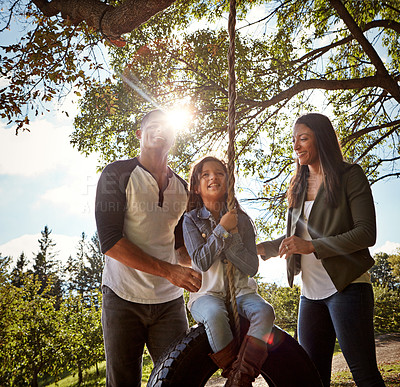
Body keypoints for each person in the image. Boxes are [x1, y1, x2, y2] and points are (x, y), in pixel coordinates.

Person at [257, 113, 385, 387]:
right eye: (294, 140)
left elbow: (366, 233)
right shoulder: (298, 185)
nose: (296, 146)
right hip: (310, 295)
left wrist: (312, 246)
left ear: (322, 139)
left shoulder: (350, 176)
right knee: (312, 378)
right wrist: (263, 248)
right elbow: (296, 236)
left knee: (363, 373)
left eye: (303, 139)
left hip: (348, 287)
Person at [95, 109, 202, 386]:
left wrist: (210, 264)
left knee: (180, 378)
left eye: (166, 127)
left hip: (169, 304)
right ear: (139, 134)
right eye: (152, 126)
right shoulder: (116, 174)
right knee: (123, 382)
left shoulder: (181, 189)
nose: (159, 130)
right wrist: (170, 271)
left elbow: (181, 250)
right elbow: (109, 242)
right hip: (122, 297)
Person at [183, 156, 275, 387]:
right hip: (207, 295)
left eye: (219, 173)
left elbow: (251, 267)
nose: (213, 177)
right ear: (196, 187)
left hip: (243, 292)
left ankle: (240, 379)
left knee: (265, 312)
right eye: (206, 174)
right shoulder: (190, 220)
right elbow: (202, 261)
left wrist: (233, 233)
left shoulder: (242, 220)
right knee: (214, 315)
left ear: (228, 182)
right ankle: (233, 373)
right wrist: (222, 230)